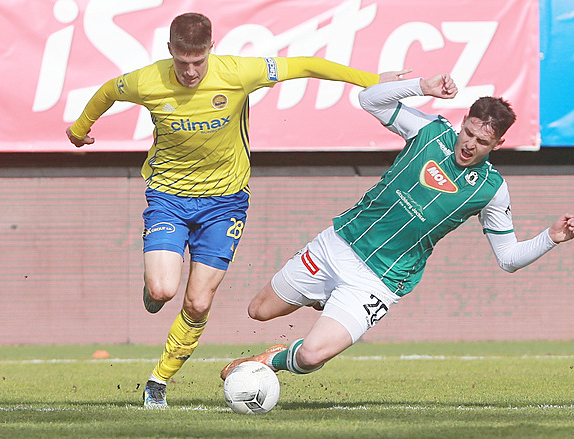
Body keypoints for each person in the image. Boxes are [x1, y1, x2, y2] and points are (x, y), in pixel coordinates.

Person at [66, 12, 404, 409]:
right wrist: (79, 127)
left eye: (198, 61)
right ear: (169, 50)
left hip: (225, 203)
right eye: (182, 61)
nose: (190, 71)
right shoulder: (147, 80)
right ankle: (154, 288)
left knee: (197, 303)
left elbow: (307, 65)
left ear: (211, 48)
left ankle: (159, 380)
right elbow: (108, 90)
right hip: (168, 197)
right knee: (162, 290)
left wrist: (371, 80)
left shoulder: (238, 72)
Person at [220, 73, 574, 381]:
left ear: (498, 144)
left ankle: (271, 360)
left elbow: (508, 258)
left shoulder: (491, 189)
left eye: (482, 141)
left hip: (379, 280)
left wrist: (551, 238)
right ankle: (323, 297)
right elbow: (369, 99)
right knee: (259, 311)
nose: (469, 144)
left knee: (311, 356)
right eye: (468, 132)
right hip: (339, 244)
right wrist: (421, 85)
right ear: (463, 121)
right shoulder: (429, 132)